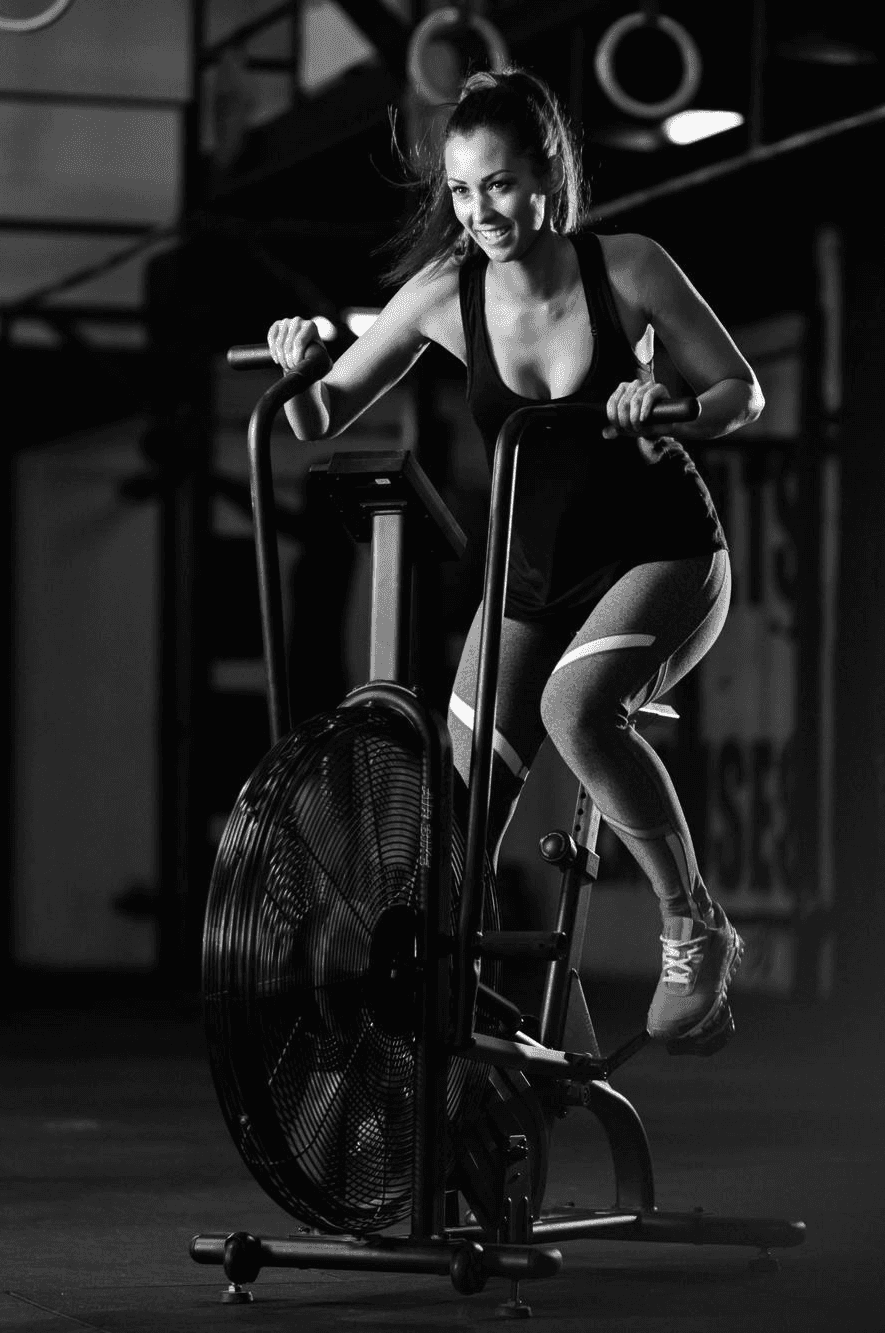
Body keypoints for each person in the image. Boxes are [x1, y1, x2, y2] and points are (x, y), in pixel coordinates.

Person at [261, 68, 763, 1053]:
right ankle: (537, 1042)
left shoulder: (627, 269)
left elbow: (739, 393)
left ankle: (691, 922)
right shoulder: (446, 294)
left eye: (496, 185)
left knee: (574, 713)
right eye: (458, 190)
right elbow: (320, 413)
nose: (477, 210)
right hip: (527, 579)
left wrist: (668, 407)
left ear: (545, 178)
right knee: (453, 829)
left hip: (658, 553)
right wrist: (302, 353)